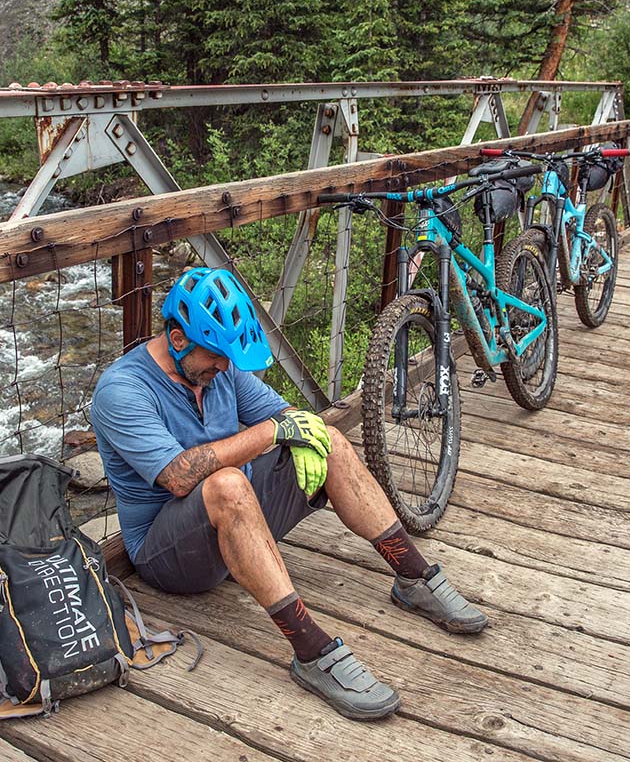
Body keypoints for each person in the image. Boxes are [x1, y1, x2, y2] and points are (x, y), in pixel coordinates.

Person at [90, 267, 487, 720]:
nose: (224, 368)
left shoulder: (220, 370)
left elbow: (287, 415)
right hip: (170, 557)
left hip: (235, 526)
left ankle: (415, 578)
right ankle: (313, 652)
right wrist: (275, 433)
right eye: (215, 356)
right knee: (226, 484)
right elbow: (179, 477)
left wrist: (301, 434)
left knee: (330, 441)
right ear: (178, 339)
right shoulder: (122, 390)